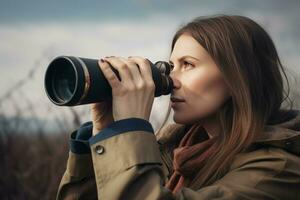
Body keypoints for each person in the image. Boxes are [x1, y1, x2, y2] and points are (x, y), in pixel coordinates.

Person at [56, 15, 300, 200]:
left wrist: (130, 131)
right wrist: (104, 134)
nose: (172, 80)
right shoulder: (172, 152)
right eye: (170, 67)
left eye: (188, 64)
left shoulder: (277, 170)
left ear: (240, 77)